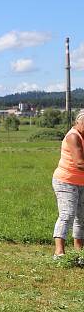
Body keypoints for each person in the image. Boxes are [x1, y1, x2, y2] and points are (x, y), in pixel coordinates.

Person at [52, 110, 84, 259]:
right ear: (77, 122)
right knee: (67, 214)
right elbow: (79, 163)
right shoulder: (73, 136)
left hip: (81, 182)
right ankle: (59, 252)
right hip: (66, 181)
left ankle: (79, 251)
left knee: (81, 217)